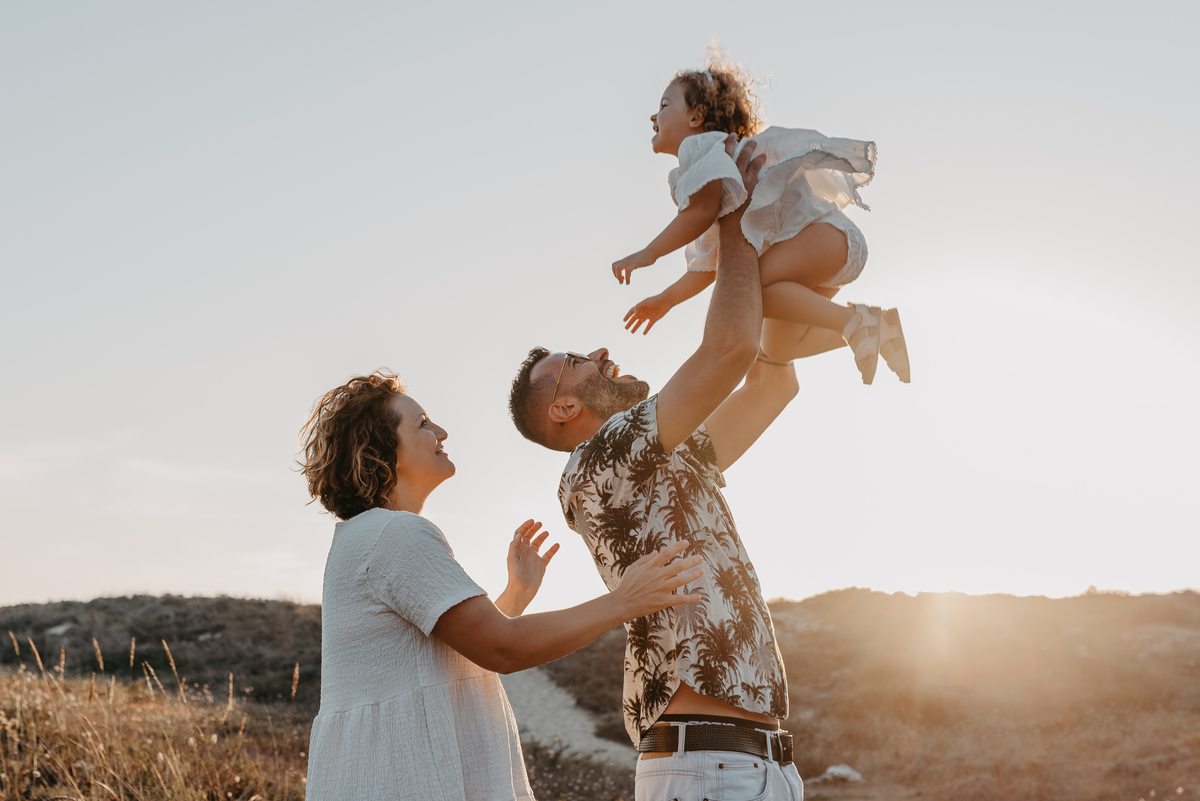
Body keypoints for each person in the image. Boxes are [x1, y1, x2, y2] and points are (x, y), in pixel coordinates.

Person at [508, 141, 804, 800]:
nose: (600, 353)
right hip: (705, 767)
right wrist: (733, 217)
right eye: (576, 360)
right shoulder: (599, 462)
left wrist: (766, 245)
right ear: (562, 406)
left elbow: (770, 387)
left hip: (760, 765)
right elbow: (728, 350)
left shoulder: (660, 460)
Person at [299, 371, 705, 801]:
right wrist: (624, 601)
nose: (441, 432)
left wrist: (514, 597)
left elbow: (448, 657)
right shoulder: (393, 534)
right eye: (421, 424)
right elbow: (503, 650)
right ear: (380, 450)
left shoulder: (364, 537)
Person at [614, 48, 910, 385]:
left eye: (664, 106)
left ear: (696, 117)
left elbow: (700, 212)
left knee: (749, 291)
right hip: (825, 253)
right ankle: (879, 326)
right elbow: (711, 264)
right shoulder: (708, 169)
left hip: (826, 237)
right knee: (778, 346)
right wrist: (666, 300)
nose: (654, 117)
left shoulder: (706, 148)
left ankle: (856, 323)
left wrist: (648, 253)